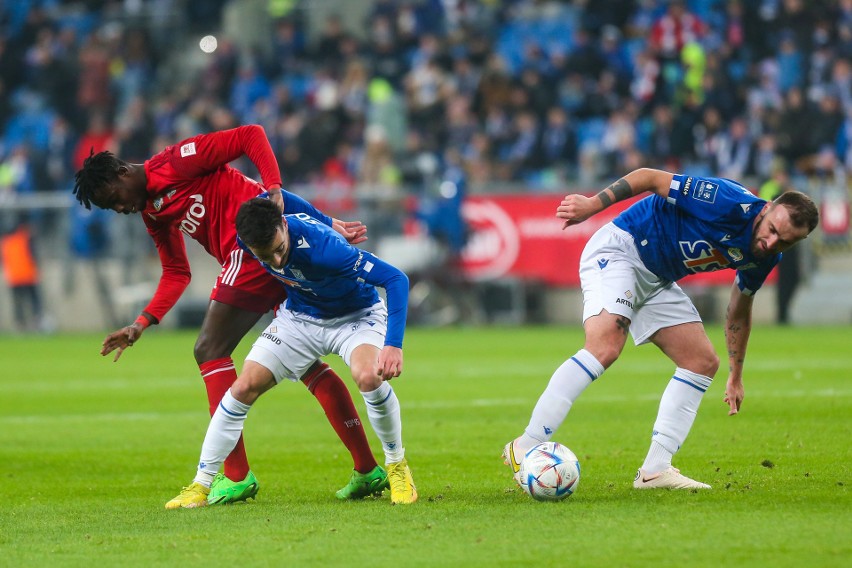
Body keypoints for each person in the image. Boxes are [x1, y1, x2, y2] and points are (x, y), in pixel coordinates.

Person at [72, 125, 387, 505]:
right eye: (111, 208)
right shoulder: (153, 213)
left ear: (123, 173)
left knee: (209, 349)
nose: (120, 209)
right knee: (305, 363)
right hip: (264, 260)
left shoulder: (177, 160)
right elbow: (177, 272)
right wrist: (142, 322)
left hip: (254, 250)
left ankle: (236, 476)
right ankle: (367, 469)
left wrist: (274, 190)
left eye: (114, 198)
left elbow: (250, 136)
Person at [503, 168, 819, 489]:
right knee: (605, 347)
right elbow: (650, 177)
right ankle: (525, 444)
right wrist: (593, 205)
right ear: (767, 209)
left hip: (655, 279)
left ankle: (655, 470)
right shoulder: (727, 201)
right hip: (622, 250)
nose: (771, 242)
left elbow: (739, 311)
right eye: (772, 230)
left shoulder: (765, 258)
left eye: (785, 242)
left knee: (702, 362)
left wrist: (736, 375)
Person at [166, 197, 417, 507]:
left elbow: (396, 279)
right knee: (243, 387)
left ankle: (397, 466)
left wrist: (393, 344)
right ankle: (200, 485)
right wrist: (327, 217)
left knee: (368, 377)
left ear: (283, 225)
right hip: (298, 319)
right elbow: (277, 194)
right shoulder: (250, 239)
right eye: (265, 256)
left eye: (279, 250)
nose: (276, 261)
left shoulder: (327, 250)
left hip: (355, 316)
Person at [0, 217, 46, 332]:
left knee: (18, 303)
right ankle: (37, 322)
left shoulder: (5, 241)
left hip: (14, 278)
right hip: (28, 276)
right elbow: (33, 256)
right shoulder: (26, 238)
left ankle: (20, 324)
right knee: (34, 301)